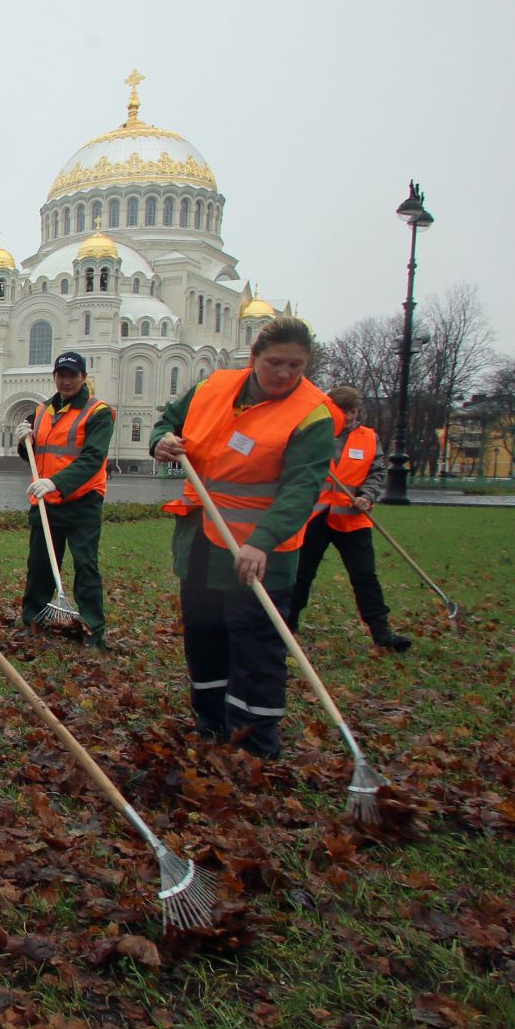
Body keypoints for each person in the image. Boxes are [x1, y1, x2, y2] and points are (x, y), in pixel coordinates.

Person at [151, 317, 335, 759]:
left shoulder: (313, 414)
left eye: (296, 365)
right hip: (203, 540)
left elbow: (301, 489)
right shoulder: (214, 387)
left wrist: (263, 540)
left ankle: (255, 740)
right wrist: (161, 440)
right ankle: (211, 722)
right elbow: (167, 422)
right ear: (254, 357)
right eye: (275, 363)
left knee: (257, 645)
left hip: (260, 553)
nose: (285, 375)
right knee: (204, 633)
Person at [288, 385, 410, 651]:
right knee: (301, 574)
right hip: (315, 517)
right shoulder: (314, 435)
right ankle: (288, 626)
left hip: (353, 519)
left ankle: (381, 632)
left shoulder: (368, 437)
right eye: (344, 411)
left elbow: (377, 472)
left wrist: (367, 495)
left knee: (365, 575)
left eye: (353, 411)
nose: (350, 416)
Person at [14, 350, 113, 648]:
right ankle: (34, 620)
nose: (66, 381)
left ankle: (93, 630)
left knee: (86, 565)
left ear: (83, 378)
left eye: (73, 375)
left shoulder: (98, 413)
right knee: (41, 565)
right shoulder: (42, 410)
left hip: (82, 500)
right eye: (62, 375)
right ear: (54, 377)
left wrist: (56, 482)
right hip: (46, 502)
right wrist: (23, 441)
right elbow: (36, 454)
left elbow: (93, 458)